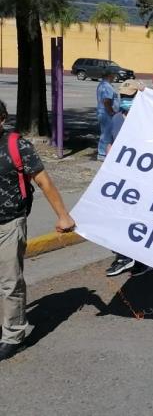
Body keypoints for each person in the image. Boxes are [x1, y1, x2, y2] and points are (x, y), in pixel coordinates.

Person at [0, 100, 76, 361]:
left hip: (9, 223)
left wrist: (63, 216)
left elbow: (43, 181)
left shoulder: (17, 145)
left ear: (1, 120)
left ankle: (12, 336)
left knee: (9, 282)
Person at [104, 81, 151, 277]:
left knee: (138, 219)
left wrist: (147, 92)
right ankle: (125, 257)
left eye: (130, 97)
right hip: (122, 180)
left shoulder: (148, 121)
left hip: (142, 181)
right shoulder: (116, 118)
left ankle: (138, 259)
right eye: (123, 97)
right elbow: (109, 143)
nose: (125, 101)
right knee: (121, 217)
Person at [96, 69, 119, 162]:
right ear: (109, 75)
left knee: (106, 133)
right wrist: (111, 112)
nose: (114, 77)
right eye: (113, 74)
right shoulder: (107, 86)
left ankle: (105, 152)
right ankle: (102, 154)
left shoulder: (102, 84)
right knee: (107, 134)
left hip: (103, 112)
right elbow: (107, 101)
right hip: (107, 114)